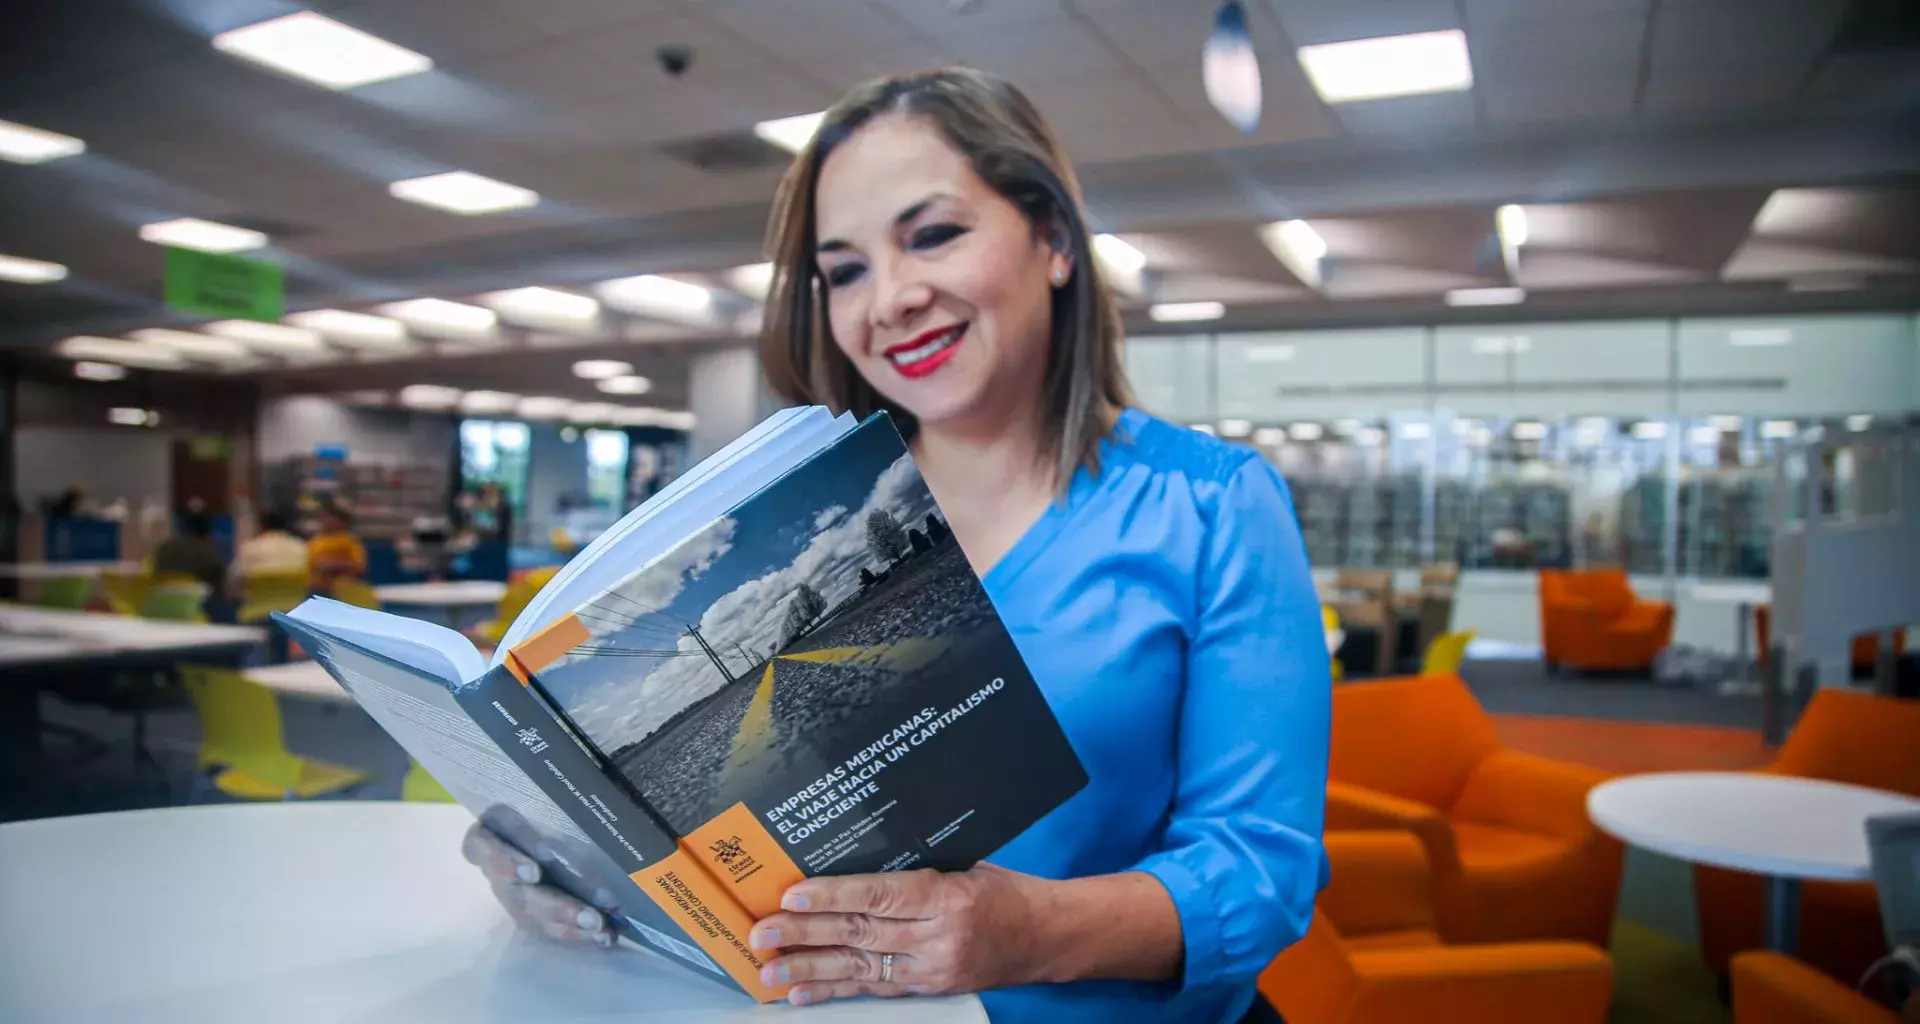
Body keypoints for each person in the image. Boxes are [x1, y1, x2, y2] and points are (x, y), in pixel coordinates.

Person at [461, 68, 1330, 1023]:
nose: (891, 299)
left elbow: (1262, 870)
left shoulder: (1208, 506)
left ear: (1053, 241)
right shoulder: (812, 511)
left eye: (934, 236)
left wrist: (1028, 931)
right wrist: (580, 868)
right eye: (846, 271)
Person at [150, 508, 227, 604]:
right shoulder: (207, 554)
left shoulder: (164, 549)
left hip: (157, 606)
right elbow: (219, 588)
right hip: (193, 611)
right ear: (208, 533)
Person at [230, 509, 308, 586]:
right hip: (296, 597)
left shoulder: (250, 548)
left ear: (261, 527)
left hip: (259, 597)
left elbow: (234, 577)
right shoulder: (301, 547)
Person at [306, 502, 366, 592]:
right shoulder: (316, 540)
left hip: (344, 590)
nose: (324, 521)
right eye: (322, 517)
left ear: (341, 520)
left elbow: (359, 565)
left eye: (328, 517)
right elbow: (312, 562)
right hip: (316, 588)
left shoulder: (350, 540)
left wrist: (333, 564)